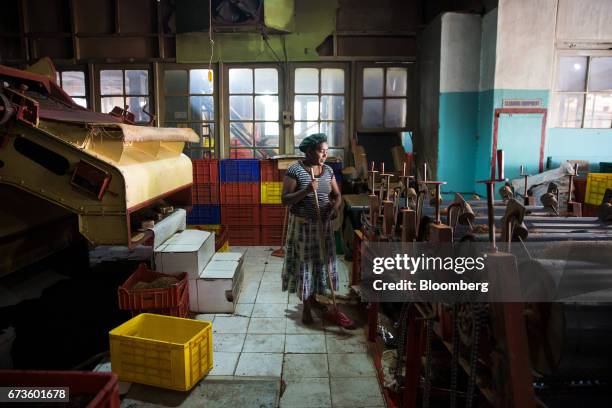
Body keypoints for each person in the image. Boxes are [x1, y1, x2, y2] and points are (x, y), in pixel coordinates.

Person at [281, 133, 351, 327]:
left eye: (327, 152)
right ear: (310, 151)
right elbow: (285, 199)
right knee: (305, 265)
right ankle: (306, 308)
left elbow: (337, 195)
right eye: (321, 151)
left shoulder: (327, 171)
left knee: (320, 264)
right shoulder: (295, 170)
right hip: (303, 226)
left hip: (323, 224)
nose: (325, 155)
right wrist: (306, 191)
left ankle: (314, 298)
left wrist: (334, 208)